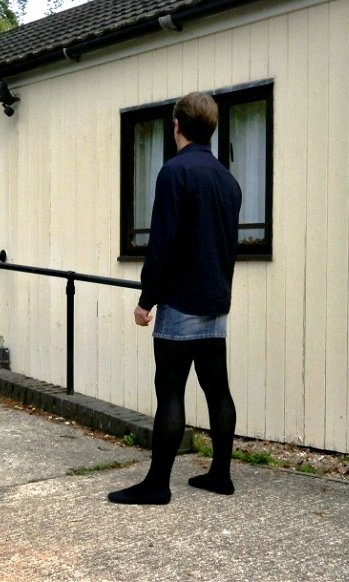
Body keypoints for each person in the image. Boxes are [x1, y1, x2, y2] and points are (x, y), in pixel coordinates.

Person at [108, 91, 242, 505]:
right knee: (217, 388)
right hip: (216, 300)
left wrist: (147, 299)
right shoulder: (228, 180)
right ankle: (220, 474)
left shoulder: (174, 172)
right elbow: (226, 245)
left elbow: (162, 242)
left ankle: (157, 484)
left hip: (181, 300)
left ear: (177, 126)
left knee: (170, 391)